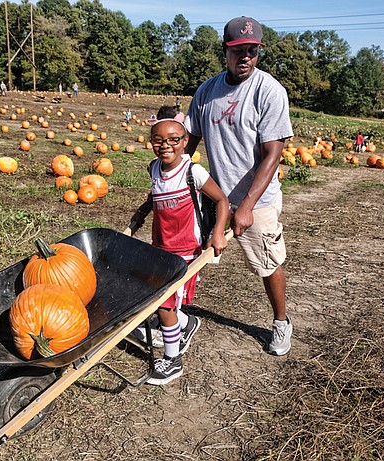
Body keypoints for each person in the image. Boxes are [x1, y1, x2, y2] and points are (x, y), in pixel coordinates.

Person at [184, 16, 294, 356]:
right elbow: (189, 143)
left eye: (252, 51)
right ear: (226, 51)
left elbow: (273, 154)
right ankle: (180, 319)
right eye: (237, 51)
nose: (245, 57)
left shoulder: (269, 91)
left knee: (267, 263)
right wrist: (168, 180)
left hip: (257, 200)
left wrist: (246, 205)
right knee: (191, 254)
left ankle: (280, 322)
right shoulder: (206, 91)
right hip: (216, 197)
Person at [129, 118, 229, 385]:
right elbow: (155, 196)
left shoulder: (192, 172)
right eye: (159, 140)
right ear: (151, 142)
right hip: (160, 247)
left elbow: (221, 200)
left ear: (185, 142)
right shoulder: (154, 168)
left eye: (174, 139)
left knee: (164, 303)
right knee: (159, 298)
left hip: (186, 250)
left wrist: (218, 232)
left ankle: (173, 361)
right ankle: (186, 323)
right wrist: (141, 212)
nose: (166, 145)